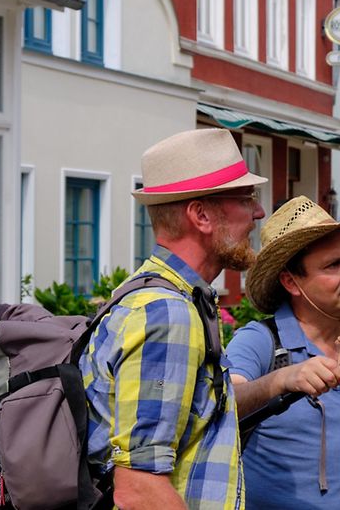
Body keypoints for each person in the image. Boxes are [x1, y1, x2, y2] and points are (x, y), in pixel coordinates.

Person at [81, 128, 267, 509]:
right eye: (246, 197)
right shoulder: (167, 314)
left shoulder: (159, 295)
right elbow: (139, 489)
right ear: (200, 215)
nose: (258, 212)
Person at [228, 196, 340, 510]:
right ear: (291, 282)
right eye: (333, 265)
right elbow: (222, 401)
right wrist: (282, 379)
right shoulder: (260, 342)